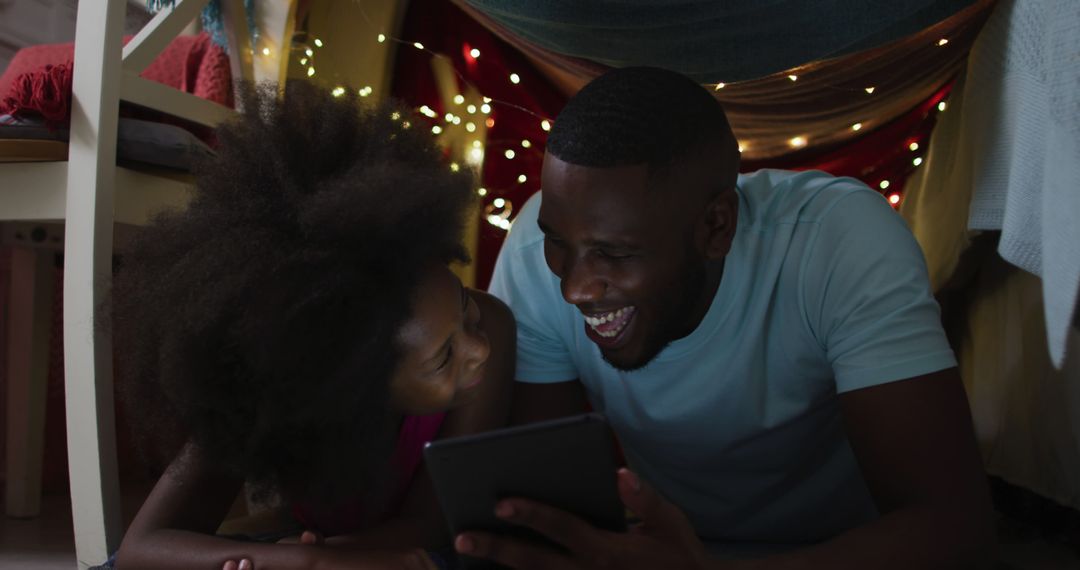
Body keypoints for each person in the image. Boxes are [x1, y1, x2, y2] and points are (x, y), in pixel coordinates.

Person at [461, 66, 995, 569]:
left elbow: (953, 526)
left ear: (717, 227)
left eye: (616, 254)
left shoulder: (836, 240)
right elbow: (555, 497)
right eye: (560, 244)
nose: (574, 287)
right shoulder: (534, 245)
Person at [111, 82, 515, 570]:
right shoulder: (274, 385)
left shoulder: (492, 327)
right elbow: (141, 549)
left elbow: (433, 525)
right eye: (444, 357)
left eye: (465, 306)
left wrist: (308, 561)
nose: (479, 349)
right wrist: (292, 563)